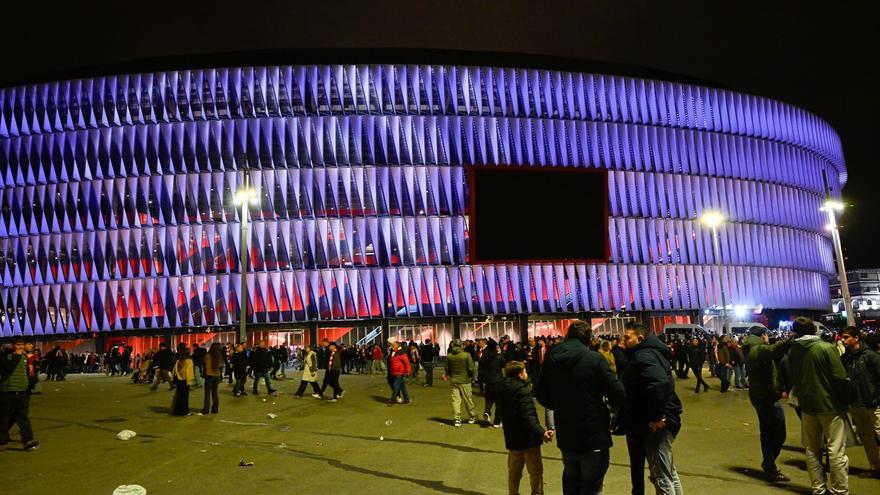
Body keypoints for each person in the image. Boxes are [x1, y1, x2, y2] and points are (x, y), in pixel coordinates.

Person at [535, 320, 625, 495]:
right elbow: (618, 391)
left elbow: (540, 392)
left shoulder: (552, 359)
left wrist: (559, 405)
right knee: (592, 486)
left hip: (566, 431)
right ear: (588, 339)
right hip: (593, 431)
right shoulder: (594, 359)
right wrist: (609, 407)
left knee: (571, 479)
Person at [788, 316, 852, 495]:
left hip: (807, 406)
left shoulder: (794, 350)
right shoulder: (826, 348)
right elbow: (840, 378)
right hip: (830, 405)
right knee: (836, 450)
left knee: (813, 449)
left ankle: (818, 488)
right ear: (814, 330)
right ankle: (839, 490)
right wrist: (848, 398)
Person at [619, 321, 683, 495]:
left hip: (658, 423)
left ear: (639, 338)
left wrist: (656, 416)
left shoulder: (643, 356)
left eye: (627, 337)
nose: (622, 340)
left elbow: (659, 384)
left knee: (661, 475)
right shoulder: (650, 353)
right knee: (669, 472)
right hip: (666, 416)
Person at [742, 325, 793, 482]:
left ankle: (769, 463)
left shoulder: (750, 348)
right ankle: (769, 464)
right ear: (763, 335)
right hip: (766, 397)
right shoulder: (759, 349)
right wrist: (792, 339)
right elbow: (774, 350)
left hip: (760, 395)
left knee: (766, 431)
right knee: (778, 431)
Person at [498, 360, 554, 495]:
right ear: (519, 374)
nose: (526, 373)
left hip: (512, 438)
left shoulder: (502, 389)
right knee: (535, 472)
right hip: (528, 440)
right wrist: (542, 433)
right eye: (524, 371)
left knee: (514, 472)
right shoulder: (523, 392)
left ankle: (513, 493)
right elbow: (528, 417)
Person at [841, 326, 880, 478]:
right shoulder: (845, 358)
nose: (843, 340)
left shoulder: (870, 356)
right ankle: (875, 467)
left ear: (856, 338)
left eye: (846, 337)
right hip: (857, 404)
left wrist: (877, 398)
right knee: (866, 436)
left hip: (873, 403)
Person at [0, 338, 39, 451]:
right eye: (18, 345)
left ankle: (28, 439)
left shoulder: (24, 357)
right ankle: (2, 438)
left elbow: (27, 373)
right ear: (13, 345)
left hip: (22, 391)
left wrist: (29, 385)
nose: (21, 347)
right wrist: (16, 356)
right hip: (7, 391)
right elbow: (8, 368)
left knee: (22, 416)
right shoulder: (6, 356)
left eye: (22, 345)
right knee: (4, 417)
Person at [444, 338, 476, 427]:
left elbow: (447, 368)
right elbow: (471, 368)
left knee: (455, 401)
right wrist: (470, 377)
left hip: (454, 380)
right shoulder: (466, 355)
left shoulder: (449, 355)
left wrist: (451, 375)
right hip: (465, 380)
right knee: (468, 400)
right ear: (461, 345)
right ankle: (472, 416)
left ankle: (457, 419)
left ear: (453, 345)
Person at [479, 340, 506, 427]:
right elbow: (504, 365)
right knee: (499, 402)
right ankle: (497, 422)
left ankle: (487, 412)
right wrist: (500, 353)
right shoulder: (498, 357)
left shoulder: (483, 357)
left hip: (488, 382)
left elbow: (481, 370)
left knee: (489, 400)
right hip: (498, 381)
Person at [171, 347, 195, 416]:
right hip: (185, 380)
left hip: (179, 380)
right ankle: (185, 411)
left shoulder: (178, 360)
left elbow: (174, 370)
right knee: (185, 397)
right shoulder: (189, 361)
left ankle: (177, 410)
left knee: (179, 396)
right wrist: (189, 382)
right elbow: (188, 372)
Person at [200, 343, 223, 415]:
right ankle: (215, 409)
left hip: (209, 376)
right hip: (217, 375)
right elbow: (221, 365)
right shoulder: (219, 356)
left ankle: (206, 409)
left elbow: (204, 365)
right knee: (214, 392)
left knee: (207, 393)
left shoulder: (207, 355)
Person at [387, 340, 412, 406]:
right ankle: (406, 399)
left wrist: (408, 370)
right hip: (395, 372)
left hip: (399, 372)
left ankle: (392, 400)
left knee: (396, 386)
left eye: (393, 345)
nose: (392, 346)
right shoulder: (393, 352)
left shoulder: (401, 352)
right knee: (402, 386)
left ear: (397, 345)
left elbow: (407, 362)